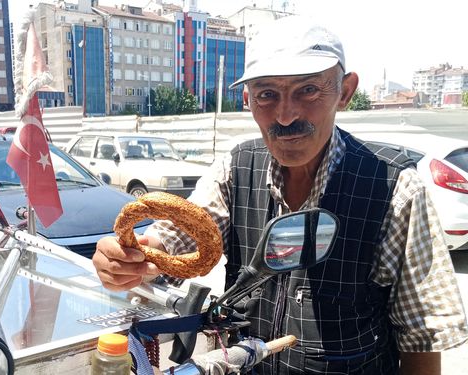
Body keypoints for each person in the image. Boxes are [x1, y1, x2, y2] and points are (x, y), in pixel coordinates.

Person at [92, 16, 468, 374]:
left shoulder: (394, 187)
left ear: (345, 91)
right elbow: (179, 238)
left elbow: (421, 335)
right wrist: (130, 258)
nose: (286, 115)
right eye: (267, 94)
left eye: (308, 90)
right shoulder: (235, 168)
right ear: (247, 100)